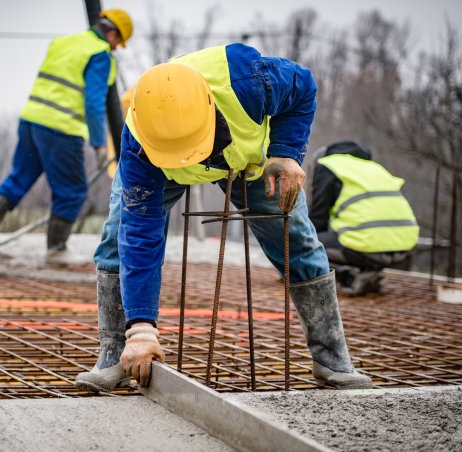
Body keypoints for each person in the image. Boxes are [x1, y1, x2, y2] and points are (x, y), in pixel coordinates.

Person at [75, 43, 373, 393]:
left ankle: (332, 358)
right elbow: (139, 238)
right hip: (160, 171)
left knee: (298, 241)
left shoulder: (250, 81)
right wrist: (140, 328)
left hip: (247, 162)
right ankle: (115, 354)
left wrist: (286, 153)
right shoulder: (139, 144)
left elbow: (304, 86)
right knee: (116, 237)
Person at [0, 9, 133, 263]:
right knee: (73, 191)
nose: (115, 48)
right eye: (117, 43)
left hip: (31, 121)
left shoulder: (64, 43)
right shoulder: (99, 55)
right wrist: (99, 146)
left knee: (19, 177)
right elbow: (93, 103)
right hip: (62, 130)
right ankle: (56, 250)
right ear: (111, 33)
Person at [309, 141, 419, 296]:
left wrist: (300, 259)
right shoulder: (375, 168)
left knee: (302, 243)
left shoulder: (328, 165)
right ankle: (370, 271)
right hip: (403, 247)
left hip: (365, 244)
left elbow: (318, 219)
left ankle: (350, 277)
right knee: (351, 240)